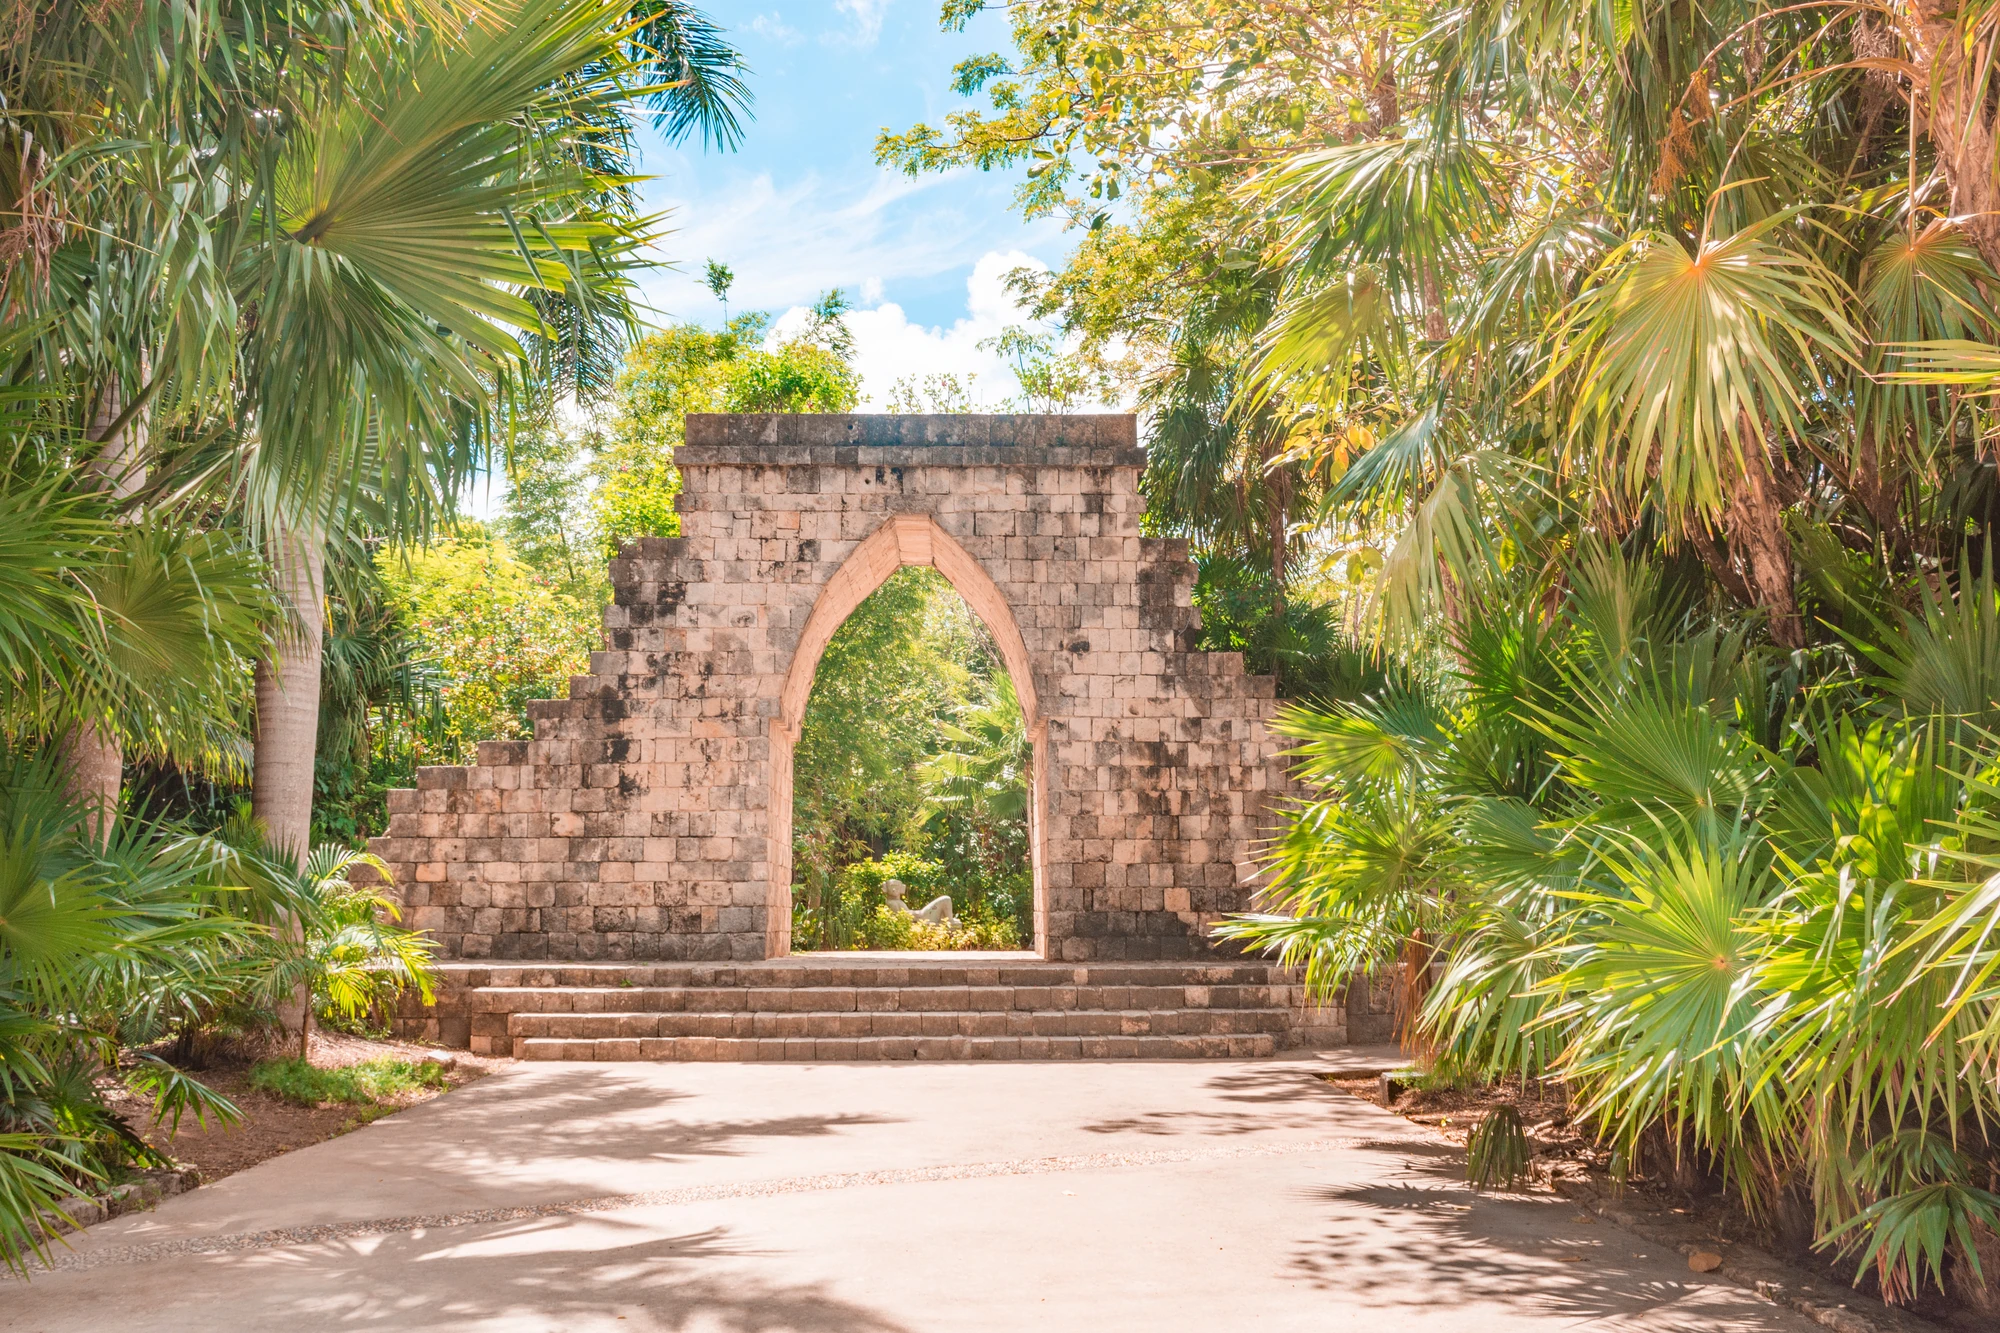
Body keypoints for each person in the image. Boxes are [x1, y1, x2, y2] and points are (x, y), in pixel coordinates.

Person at [882, 878, 955, 926]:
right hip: (921, 917)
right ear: (886, 888)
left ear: (901, 888)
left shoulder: (897, 901)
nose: (894, 889)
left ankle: (949, 921)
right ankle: (951, 922)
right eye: (891, 886)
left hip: (920, 915)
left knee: (945, 900)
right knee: (946, 899)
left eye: (897, 887)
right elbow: (900, 918)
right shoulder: (892, 903)